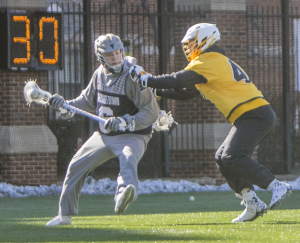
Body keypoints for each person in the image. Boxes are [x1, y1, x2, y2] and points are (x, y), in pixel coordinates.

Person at [129, 23, 292, 223]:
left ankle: (275, 185)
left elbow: (177, 79)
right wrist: (157, 90)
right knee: (222, 157)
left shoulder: (209, 60)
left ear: (204, 40)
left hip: (255, 114)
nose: (188, 47)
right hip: (251, 115)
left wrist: (148, 79)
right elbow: (187, 94)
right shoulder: (212, 62)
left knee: (232, 155)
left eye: (191, 43)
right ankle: (252, 202)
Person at [46, 33, 159, 226]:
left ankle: (124, 193)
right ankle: (64, 215)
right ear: (100, 57)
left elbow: (151, 112)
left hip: (133, 134)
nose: (115, 58)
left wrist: (125, 121)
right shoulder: (99, 73)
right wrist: (66, 105)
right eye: (109, 55)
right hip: (105, 135)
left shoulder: (132, 75)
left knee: (128, 157)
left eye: (117, 53)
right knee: (76, 165)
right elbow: (87, 101)